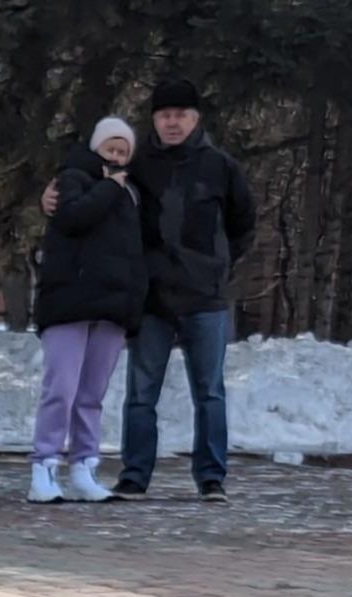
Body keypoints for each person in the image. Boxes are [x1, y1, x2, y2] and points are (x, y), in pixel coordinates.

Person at [49, 79, 254, 500]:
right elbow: (86, 178)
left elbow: (243, 224)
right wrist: (46, 195)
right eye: (165, 115)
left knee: (210, 393)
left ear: (195, 119)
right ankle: (135, 476)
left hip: (206, 299)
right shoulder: (137, 165)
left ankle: (212, 478)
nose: (173, 122)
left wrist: (218, 265)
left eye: (181, 115)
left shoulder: (221, 166)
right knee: (141, 395)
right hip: (153, 299)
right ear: (155, 120)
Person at [28, 118, 145, 504]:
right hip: (69, 302)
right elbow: (73, 217)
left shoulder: (132, 193)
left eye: (122, 151)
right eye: (110, 148)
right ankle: (44, 466)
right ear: (96, 147)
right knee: (60, 387)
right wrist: (110, 187)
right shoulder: (73, 178)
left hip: (112, 307)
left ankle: (84, 466)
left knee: (92, 393)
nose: (115, 155)